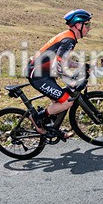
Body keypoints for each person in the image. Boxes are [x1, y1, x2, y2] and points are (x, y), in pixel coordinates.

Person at [24, 9, 92, 137]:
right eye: (87, 24)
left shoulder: (68, 37)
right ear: (78, 25)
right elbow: (59, 67)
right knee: (67, 101)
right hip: (37, 74)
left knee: (60, 101)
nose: (89, 28)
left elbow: (63, 60)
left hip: (44, 73)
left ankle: (52, 128)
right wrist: (70, 81)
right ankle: (36, 118)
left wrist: (81, 65)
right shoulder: (68, 40)